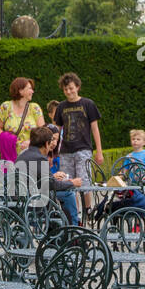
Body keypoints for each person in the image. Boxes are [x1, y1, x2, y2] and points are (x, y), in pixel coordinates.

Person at [51, 73, 104, 212]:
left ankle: (88, 209)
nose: (68, 91)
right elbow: (56, 130)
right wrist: (52, 149)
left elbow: (95, 128)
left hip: (83, 148)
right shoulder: (61, 107)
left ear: (77, 87)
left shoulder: (88, 104)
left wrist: (99, 151)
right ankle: (76, 212)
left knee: (84, 181)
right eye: (65, 89)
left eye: (71, 88)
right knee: (68, 183)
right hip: (65, 151)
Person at [15, 126, 80, 225]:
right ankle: (74, 229)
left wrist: (53, 178)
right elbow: (53, 185)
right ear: (46, 144)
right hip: (33, 204)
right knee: (68, 194)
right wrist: (72, 182)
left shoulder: (21, 156)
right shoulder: (40, 158)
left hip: (19, 202)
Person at [0, 77, 45, 161]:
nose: (32, 91)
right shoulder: (5, 107)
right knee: (10, 174)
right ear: (21, 91)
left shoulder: (35, 108)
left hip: (31, 155)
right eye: (30, 89)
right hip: (9, 154)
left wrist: (31, 142)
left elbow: (43, 131)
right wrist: (8, 139)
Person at [105, 130, 145, 215]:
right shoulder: (129, 156)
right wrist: (116, 179)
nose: (135, 141)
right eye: (133, 139)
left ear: (144, 142)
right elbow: (124, 172)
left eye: (138, 139)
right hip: (133, 184)